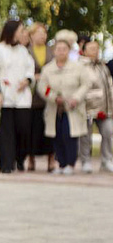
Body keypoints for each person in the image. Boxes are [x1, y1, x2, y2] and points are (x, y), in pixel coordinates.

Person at [0, 19, 35, 173]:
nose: (23, 33)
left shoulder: (23, 51)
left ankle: (19, 159)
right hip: (2, 96)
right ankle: (6, 163)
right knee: (4, 132)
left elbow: (29, 68)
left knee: (23, 129)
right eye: (21, 30)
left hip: (20, 97)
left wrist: (27, 80)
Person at [38, 39, 91, 175]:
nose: (61, 51)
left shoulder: (78, 67)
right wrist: (54, 97)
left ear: (69, 51)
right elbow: (43, 87)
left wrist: (76, 98)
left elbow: (85, 84)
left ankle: (70, 163)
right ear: (54, 51)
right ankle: (61, 163)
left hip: (72, 107)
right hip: (55, 108)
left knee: (70, 135)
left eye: (64, 49)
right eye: (58, 49)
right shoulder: (48, 69)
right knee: (57, 135)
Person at [79, 40, 113, 173]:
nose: (95, 51)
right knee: (85, 136)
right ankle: (85, 161)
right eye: (92, 48)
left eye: (97, 48)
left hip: (105, 108)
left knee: (108, 132)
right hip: (87, 108)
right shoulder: (80, 67)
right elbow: (82, 88)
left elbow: (109, 86)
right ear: (84, 50)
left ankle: (106, 161)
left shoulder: (103, 66)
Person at [26, 23, 55, 172]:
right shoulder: (26, 52)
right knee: (32, 129)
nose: (42, 35)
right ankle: (31, 158)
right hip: (32, 97)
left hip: (48, 97)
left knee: (49, 128)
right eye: (39, 32)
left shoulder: (52, 52)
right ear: (31, 35)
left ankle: (51, 158)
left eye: (44, 33)